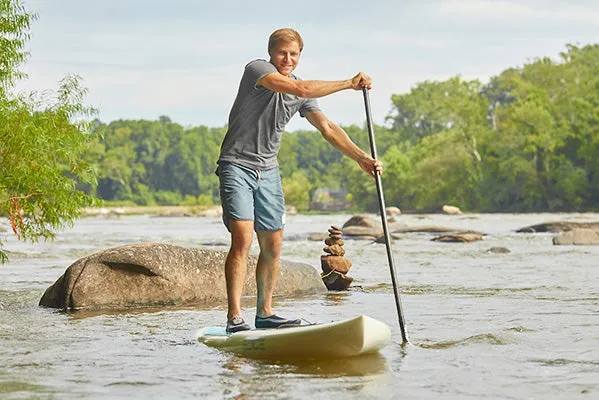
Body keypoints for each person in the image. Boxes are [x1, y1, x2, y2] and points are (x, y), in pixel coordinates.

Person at [216, 28, 383, 333]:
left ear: (300, 56)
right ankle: (234, 317)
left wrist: (361, 158)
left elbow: (329, 129)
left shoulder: (300, 90)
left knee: (273, 246)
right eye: (282, 53)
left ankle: (265, 313)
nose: (288, 59)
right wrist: (348, 83)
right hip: (236, 165)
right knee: (242, 239)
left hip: (268, 171)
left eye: (294, 54)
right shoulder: (258, 70)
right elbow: (304, 89)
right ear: (271, 53)